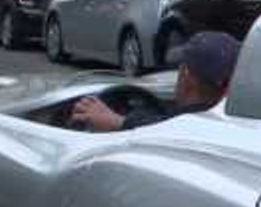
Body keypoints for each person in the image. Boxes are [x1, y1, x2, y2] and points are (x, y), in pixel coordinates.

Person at [70, 31, 242, 132]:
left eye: (180, 69)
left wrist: (117, 122)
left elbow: (166, 131)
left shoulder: (175, 129)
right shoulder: (234, 123)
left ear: (187, 76)